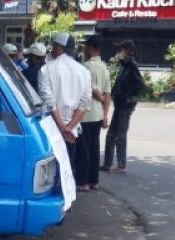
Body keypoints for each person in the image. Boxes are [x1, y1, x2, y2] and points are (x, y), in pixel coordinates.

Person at [38, 32, 92, 172]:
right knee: (68, 169)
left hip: (51, 127)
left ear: (58, 47)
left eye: (53, 46)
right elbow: (85, 103)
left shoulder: (46, 69)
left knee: (50, 170)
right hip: (72, 131)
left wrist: (61, 127)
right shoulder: (84, 72)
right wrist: (69, 127)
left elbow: (49, 101)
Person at [103, 39, 145, 174]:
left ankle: (121, 165)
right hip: (119, 104)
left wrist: (127, 96)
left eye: (122, 50)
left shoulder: (132, 66)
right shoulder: (123, 65)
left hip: (125, 106)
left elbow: (140, 86)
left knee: (120, 136)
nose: (119, 52)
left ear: (129, 52)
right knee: (110, 135)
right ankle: (107, 164)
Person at [78, 35, 111, 191]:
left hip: (85, 114)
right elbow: (108, 93)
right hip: (98, 115)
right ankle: (94, 181)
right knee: (94, 148)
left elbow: (93, 91)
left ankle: (84, 182)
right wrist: (105, 115)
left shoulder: (85, 67)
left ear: (92, 48)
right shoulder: (105, 68)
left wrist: (101, 98)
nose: (84, 49)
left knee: (84, 150)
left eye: (86, 47)